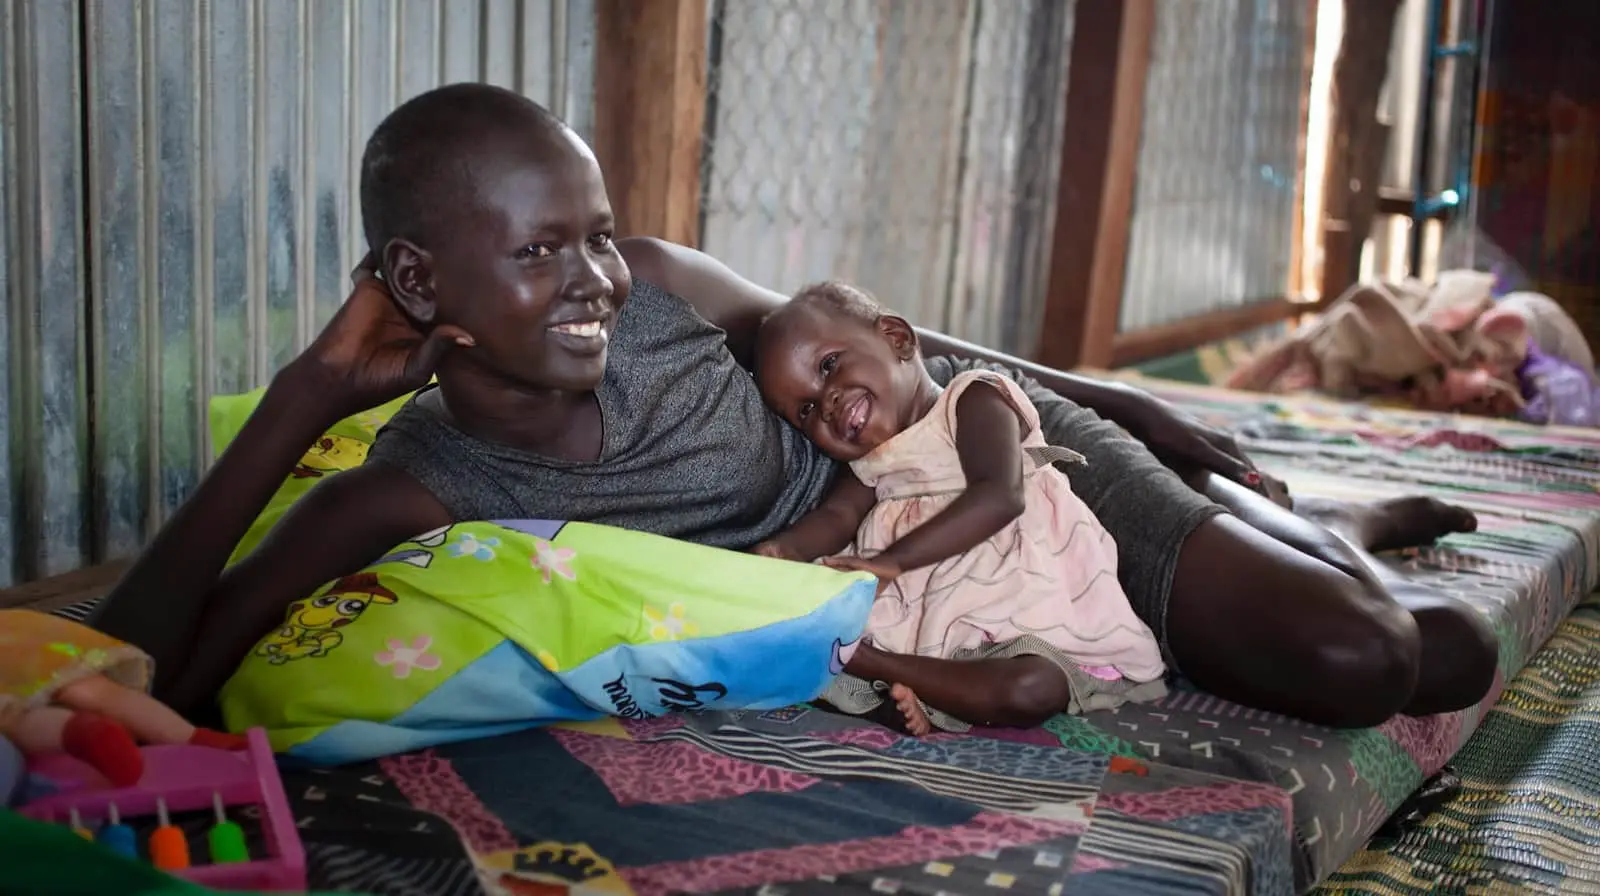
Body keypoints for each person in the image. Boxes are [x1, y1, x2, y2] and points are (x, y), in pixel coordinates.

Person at [89, 83, 1497, 731]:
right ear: (414, 276)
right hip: (937, 593)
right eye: (539, 251)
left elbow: (893, 340)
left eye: (596, 232)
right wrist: (306, 393)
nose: (593, 278)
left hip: (1017, 475)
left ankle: (1321, 519)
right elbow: (143, 671)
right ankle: (1300, 527)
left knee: (1398, 660)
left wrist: (1120, 409)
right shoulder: (413, 479)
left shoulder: (651, 285)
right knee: (1388, 669)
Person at [751, 283, 1170, 734]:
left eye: (829, 365)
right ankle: (897, 686)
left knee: (1032, 688)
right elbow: (837, 519)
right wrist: (781, 551)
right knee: (792, 660)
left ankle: (870, 662)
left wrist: (893, 560)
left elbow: (999, 495)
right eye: (807, 410)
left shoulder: (972, 399)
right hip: (924, 623)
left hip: (1017, 610)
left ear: (896, 338)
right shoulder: (868, 466)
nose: (826, 401)